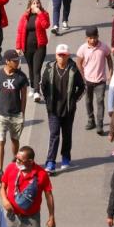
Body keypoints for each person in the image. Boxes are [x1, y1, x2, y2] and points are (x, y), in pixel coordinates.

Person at [40, 44, 85, 173]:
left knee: (67, 134)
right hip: (53, 110)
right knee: (54, 134)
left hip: (68, 109)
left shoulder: (73, 69)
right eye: (59, 55)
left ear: (68, 56)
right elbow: (43, 86)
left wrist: (73, 99)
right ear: (56, 55)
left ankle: (65, 157)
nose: (61, 57)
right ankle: (50, 161)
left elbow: (82, 87)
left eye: (64, 55)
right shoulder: (49, 69)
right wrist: (48, 100)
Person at [0, 146, 55, 227]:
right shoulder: (11, 167)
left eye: (20, 160)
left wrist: (51, 217)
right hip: (12, 216)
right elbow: (2, 187)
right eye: (16, 158)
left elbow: (49, 196)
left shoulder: (42, 174)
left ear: (30, 161)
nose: (17, 162)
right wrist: (4, 200)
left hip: (32, 219)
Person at [0, 50, 28, 180]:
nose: (17, 63)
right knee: (1, 141)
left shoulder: (21, 77)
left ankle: (16, 161)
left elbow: (24, 97)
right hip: (0, 114)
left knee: (15, 140)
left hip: (16, 115)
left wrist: (22, 114)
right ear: (7, 61)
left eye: (18, 60)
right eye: (14, 61)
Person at [76, 26, 113, 134]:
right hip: (87, 80)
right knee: (88, 101)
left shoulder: (104, 47)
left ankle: (100, 124)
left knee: (100, 101)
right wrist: (82, 75)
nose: (93, 40)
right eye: (90, 38)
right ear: (86, 38)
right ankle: (91, 120)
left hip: (100, 80)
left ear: (98, 36)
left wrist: (110, 73)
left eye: (95, 37)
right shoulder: (82, 48)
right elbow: (78, 62)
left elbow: (109, 59)